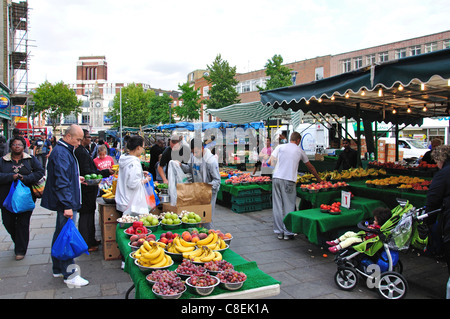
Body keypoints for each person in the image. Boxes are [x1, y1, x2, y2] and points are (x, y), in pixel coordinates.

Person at [41, 124, 89, 287]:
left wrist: (76, 178)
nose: (79, 142)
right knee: (67, 237)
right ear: (68, 137)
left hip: (64, 201)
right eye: (78, 139)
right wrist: (68, 205)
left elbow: (64, 176)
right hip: (65, 203)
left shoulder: (63, 150)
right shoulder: (62, 152)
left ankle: (58, 268)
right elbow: (61, 182)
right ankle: (69, 274)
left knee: (60, 234)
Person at [268, 132, 322, 240]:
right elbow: (310, 167)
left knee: (277, 206)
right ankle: (288, 232)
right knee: (289, 205)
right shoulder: (299, 150)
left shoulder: (280, 147)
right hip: (289, 179)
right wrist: (318, 179)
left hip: (276, 178)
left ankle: (279, 232)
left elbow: (270, 162)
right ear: (298, 140)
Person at [0, 136, 44, 260]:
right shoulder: (3, 161)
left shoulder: (30, 160)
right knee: (7, 222)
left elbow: (40, 172)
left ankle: (20, 249)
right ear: (10, 147)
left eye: (19, 144)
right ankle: (18, 240)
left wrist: (26, 178)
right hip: (6, 198)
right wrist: (11, 177)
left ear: (24, 147)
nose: (17, 146)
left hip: (26, 198)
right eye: (14, 144)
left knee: (23, 223)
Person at [75, 130, 113, 252]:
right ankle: (86, 242)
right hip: (86, 189)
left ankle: (90, 239)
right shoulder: (80, 152)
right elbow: (88, 172)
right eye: (88, 137)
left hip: (89, 189)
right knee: (86, 215)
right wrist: (105, 172)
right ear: (81, 138)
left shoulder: (84, 150)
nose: (90, 139)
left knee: (90, 214)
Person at [181, 138, 221, 229]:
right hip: (197, 191)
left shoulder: (211, 161)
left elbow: (217, 181)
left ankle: (209, 237)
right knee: (196, 217)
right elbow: (190, 169)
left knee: (206, 218)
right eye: (193, 152)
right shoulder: (193, 157)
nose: (194, 154)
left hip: (208, 193)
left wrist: (205, 188)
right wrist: (180, 165)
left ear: (202, 148)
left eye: (196, 152)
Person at [425, 145, 450, 277]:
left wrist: (428, 220)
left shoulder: (443, 174)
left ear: (440, 159)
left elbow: (433, 199)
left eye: (436, 162)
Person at [326, 207, 392, 253]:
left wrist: (368, 228)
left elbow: (371, 233)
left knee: (351, 240)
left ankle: (337, 248)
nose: (374, 221)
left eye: (376, 220)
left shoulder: (377, 229)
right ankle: (336, 241)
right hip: (362, 235)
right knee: (349, 233)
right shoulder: (375, 225)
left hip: (365, 240)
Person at [115, 135, 152, 215]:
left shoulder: (125, 159)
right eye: (143, 147)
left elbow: (128, 174)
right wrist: (146, 180)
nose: (143, 150)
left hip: (123, 199)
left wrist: (141, 173)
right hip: (130, 203)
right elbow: (133, 184)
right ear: (138, 147)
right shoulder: (134, 163)